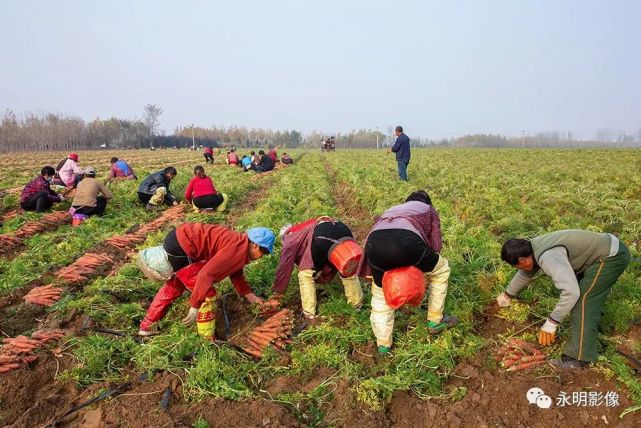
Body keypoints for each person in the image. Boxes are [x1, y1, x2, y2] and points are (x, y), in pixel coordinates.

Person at [496, 229, 631, 369]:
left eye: (515, 266)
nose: (517, 268)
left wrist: (551, 322)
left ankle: (579, 359)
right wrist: (507, 295)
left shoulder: (548, 258)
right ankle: (590, 336)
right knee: (583, 298)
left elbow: (571, 292)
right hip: (604, 250)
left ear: (523, 259)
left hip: (611, 256)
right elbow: (524, 273)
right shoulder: (532, 248)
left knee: (583, 300)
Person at [358, 190, 458, 354]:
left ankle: (383, 345)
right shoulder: (428, 209)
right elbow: (436, 243)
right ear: (428, 202)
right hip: (406, 243)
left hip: (374, 246)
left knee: (380, 294)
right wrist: (425, 263)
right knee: (441, 270)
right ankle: (435, 321)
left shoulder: (392, 209)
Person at [137, 224, 275, 338]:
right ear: (256, 245)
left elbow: (235, 271)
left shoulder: (239, 243)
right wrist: (195, 306)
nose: (262, 257)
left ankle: (147, 326)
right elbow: (205, 275)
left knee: (175, 285)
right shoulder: (237, 249)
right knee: (208, 293)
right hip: (183, 247)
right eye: (265, 252)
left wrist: (248, 294)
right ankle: (207, 338)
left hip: (179, 240)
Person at [268, 217, 363, 319]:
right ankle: (356, 305)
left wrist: (278, 292)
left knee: (305, 275)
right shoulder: (306, 226)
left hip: (322, 238)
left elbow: (284, 265)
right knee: (347, 266)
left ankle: (309, 314)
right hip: (343, 230)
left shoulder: (290, 237)